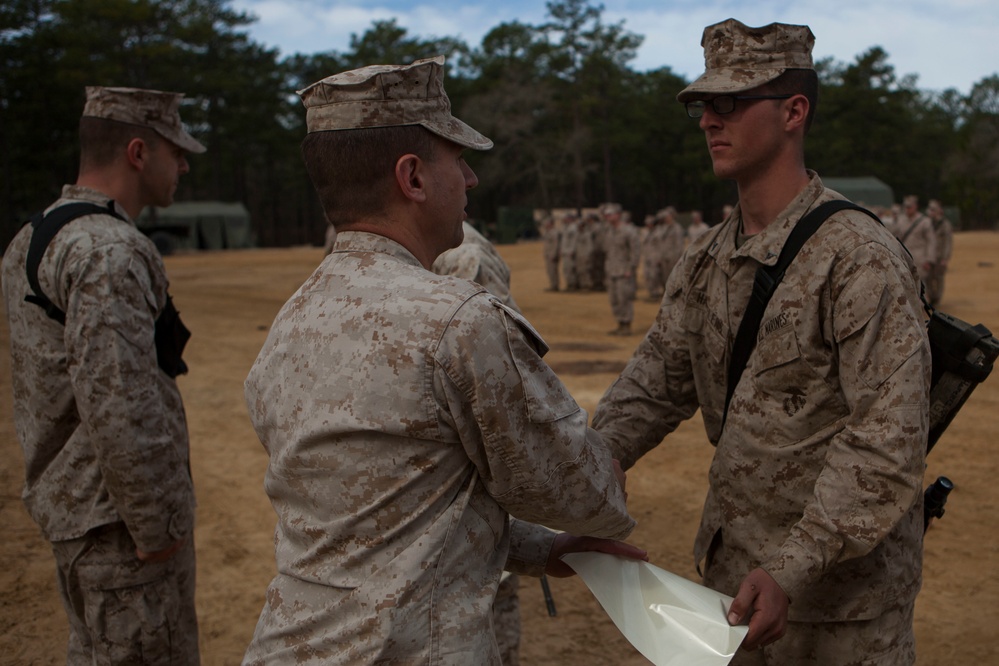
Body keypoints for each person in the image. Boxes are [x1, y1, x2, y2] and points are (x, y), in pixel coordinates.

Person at [241, 56, 644, 665]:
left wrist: (538, 550)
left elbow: (383, 514)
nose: (472, 179)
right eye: (457, 159)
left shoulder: (293, 320)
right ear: (414, 178)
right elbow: (585, 493)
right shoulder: (460, 321)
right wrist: (607, 470)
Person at [592, 19, 930, 665]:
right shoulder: (707, 256)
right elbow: (659, 378)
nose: (707, 121)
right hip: (735, 578)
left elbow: (887, 439)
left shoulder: (858, 257)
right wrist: (600, 453)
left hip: (835, 600)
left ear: (792, 111)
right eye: (700, 106)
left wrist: (791, 567)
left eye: (729, 103)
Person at [1, 86, 204, 664]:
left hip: (78, 516)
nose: (184, 163)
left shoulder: (34, 235)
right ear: (138, 152)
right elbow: (119, 401)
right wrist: (157, 527)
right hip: (120, 532)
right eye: (175, 149)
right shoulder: (110, 250)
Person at [602, 202, 641, 335]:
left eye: (610, 214)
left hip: (624, 271)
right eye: (606, 215)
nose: (607, 217)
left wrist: (631, 268)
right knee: (614, 299)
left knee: (624, 298)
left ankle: (626, 325)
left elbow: (635, 251)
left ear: (618, 215)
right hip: (612, 269)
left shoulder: (629, 231)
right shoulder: (609, 231)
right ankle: (620, 323)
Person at [891, 194, 936, 285]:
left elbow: (931, 241)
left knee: (920, 287)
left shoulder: (924, 222)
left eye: (910, 207)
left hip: (919, 259)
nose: (907, 209)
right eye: (906, 207)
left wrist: (929, 259)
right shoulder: (901, 221)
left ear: (916, 206)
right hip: (904, 258)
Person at [926, 199, 954, 307]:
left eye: (933, 209)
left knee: (938, 279)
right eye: (929, 209)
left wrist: (945, 258)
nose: (930, 212)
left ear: (939, 211)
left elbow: (948, 243)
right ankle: (931, 297)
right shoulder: (927, 224)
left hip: (939, 256)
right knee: (928, 278)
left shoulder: (945, 225)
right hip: (929, 256)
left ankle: (937, 299)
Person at [540, 214, 561, 291]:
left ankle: (555, 285)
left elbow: (556, 244)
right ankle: (553, 284)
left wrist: (553, 254)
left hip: (552, 254)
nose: (546, 224)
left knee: (553, 271)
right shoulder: (547, 232)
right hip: (548, 254)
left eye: (547, 223)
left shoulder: (554, 232)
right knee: (549, 271)